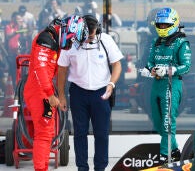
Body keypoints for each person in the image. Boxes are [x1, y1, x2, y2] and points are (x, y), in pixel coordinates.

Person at [57, 14, 123, 171]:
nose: (90, 38)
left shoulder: (105, 40)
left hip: (101, 92)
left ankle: (100, 168)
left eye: (93, 35)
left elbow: (117, 65)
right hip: (78, 93)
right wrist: (61, 95)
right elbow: (61, 70)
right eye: (87, 36)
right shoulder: (70, 43)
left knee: (101, 133)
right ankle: (82, 167)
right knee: (80, 133)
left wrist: (111, 84)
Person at [23, 15, 85, 171]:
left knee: (47, 132)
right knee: (44, 133)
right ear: (67, 32)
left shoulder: (53, 39)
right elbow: (40, 69)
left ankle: (41, 167)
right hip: (39, 92)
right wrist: (50, 94)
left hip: (42, 91)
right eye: (71, 41)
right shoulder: (46, 40)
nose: (70, 45)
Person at [141, 7, 191, 163]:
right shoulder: (156, 41)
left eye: (165, 25)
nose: (162, 28)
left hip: (171, 84)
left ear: (174, 24)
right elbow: (150, 60)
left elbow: (187, 66)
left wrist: (169, 70)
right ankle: (175, 150)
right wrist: (149, 69)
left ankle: (164, 156)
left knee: (167, 123)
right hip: (156, 84)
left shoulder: (181, 42)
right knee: (157, 122)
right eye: (160, 25)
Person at [4, 11, 29, 85]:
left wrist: (22, 27)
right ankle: (15, 89)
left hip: (22, 53)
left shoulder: (23, 26)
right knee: (14, 72)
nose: (18, 20)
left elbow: (26, 36)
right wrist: (17, 31)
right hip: (12, 53)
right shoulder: (9, 26)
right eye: (17, 18)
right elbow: (8, 36)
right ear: (13, 18)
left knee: (23, 72)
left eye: (20, 18)